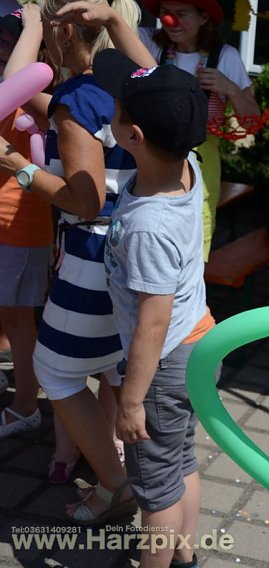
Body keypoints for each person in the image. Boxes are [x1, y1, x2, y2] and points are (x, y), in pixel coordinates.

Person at [0, 0, 154, 523]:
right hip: (131, 251)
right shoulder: (133, 84)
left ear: (67, 27)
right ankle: (145, 477)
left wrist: (17, 165)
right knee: (115, 366)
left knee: (55, 371)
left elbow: (83, 200)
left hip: (90, 254)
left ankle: (116, 484)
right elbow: (49, 104)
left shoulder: (76, 96)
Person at [93, 47, 215, 568]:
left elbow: (153, 318)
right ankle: (184, 558)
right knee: (179, 459)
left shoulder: (147, 226)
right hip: (197, 341)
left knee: (156, 492)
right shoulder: (183, 165)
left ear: (134, 136)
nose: (112, 111)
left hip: (163, 363)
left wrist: (131, 401)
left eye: (118, 108)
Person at [138, 0, 259, 261]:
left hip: (201, 167)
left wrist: (231, 89)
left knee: (194, 238)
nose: (171, 21)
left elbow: (252, 122)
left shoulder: (225, 57)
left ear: (204, 18)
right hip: (152, 160)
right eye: (165, 14)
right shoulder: (152, 45)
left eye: (181, 14)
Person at [0, 12, 53, 441]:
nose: (1, 49)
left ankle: (26, 407)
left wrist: (33, 25)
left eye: (8, 41)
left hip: (20, 227)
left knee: (19, 322)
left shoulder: (38, 94)